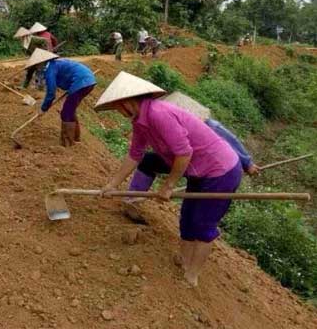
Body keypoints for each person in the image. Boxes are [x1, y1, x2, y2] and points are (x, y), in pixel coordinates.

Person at [96, 72, 243, 287]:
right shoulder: (140, 122)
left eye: (117, 107)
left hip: (219, 171)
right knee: (187, 216)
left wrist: (169, 185)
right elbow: (134, 155)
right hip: (196, 170)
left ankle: (192, 275)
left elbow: (184, 153)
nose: (118, 112)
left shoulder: (158, 114)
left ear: (126, 102)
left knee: (203, 223)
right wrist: (112, 185)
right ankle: (183, 259)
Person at [121, 91, 260, 222]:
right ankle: (132, 201)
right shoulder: (159, 115)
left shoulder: (210, 126)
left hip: (203, 165)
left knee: (197, 215)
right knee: (148, 161)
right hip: (178, 158)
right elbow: (138, 150)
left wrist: (247, 163)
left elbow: (230, 141)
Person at [26, 48, 96, 147]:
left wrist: (43, 108)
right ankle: (76, 138)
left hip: (81, 82)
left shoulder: (50, 70)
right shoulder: (54, 64)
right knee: (70, 110)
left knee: (66, 113)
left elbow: (51, 93)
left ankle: (67, 143)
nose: (36, 68)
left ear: (41, 62)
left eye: (36, 66)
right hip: (87, 81)